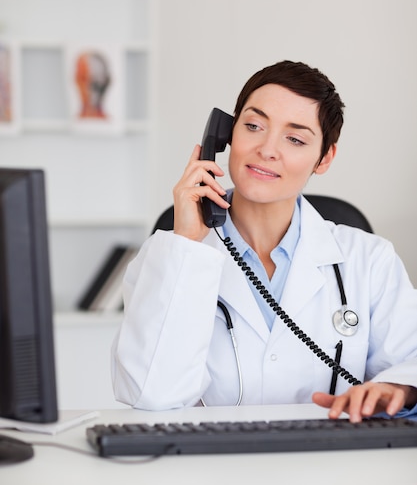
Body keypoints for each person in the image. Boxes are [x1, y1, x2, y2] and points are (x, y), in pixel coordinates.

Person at [111, 60, 417, 422]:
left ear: (324, 157)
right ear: (225, 134)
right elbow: (151, 394)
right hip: (208, 467)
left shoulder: (369, 259)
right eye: (253, 126)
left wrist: (396, 388)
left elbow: (410, 361)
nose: (267, 149)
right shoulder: (170, 255)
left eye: (295, 138)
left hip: (331, 465)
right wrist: (188, 246)